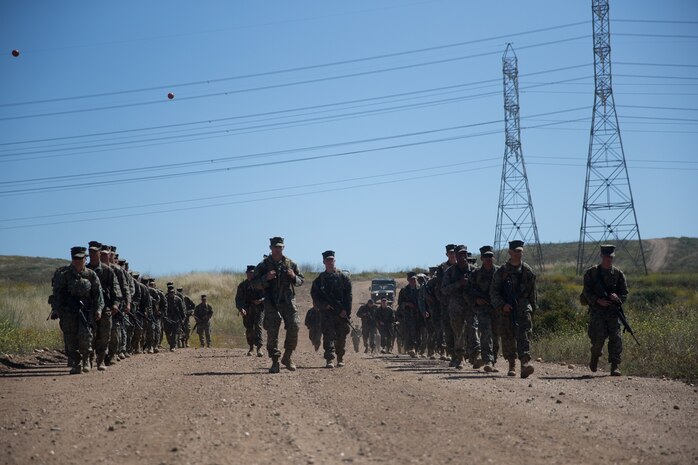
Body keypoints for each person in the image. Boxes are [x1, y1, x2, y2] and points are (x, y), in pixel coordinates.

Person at [252, 237, 305, 373]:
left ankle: (287, 357)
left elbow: (301, 281)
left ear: (283, 248)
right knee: (272, 331)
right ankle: (275, 361)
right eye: (275, 247)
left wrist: (293, 277)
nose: (277, 249)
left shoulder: (290, 264)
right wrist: (265, 278)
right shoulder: (263, 265)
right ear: (270, 248)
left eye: (280, 247)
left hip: (287, 301)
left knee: (294, 325)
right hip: (271, 302)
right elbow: (254, 284)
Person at [51, 246, 104, 374]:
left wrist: (99, 310)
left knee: (86, 336)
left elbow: (98, 294)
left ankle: (86, 360)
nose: (77, 261)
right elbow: (57, 293)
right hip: (68, 312)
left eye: (80, 258)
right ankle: (76, 363)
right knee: (71, 339)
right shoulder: (64, 275)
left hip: (86, 311)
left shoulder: (91, 275)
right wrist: (56, 309)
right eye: (75, 258)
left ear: (85, 259)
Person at [490, 240, 537, 378]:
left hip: (523, 308)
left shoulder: (527, 271)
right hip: (506, 309)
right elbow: (494, 292)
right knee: (508, 337)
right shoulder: (502, 272)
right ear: (510, 252)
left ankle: (524, 364)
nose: (518, 254)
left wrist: (532, 309)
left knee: (524, 335)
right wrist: (502, 305)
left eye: (520, 251)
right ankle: (512, 364)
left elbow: (532, 293)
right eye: (515, 251)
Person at [582, 244, 629, 376]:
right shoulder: (591, 273)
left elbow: (624, 293)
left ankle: (615, 366)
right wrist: (597, 300)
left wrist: (617, 298)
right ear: (602, 256)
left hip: (613, 312)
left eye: (611, 257)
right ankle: (595, 356)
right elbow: (586, 292)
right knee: (598, 338)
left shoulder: (618, 274)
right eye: (607, 256)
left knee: (616, 338)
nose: (609, 259)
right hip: (598, 311)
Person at [311, 250, 353, 368]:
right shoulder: (319, 280)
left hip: (341, 313)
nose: (330, 262)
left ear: (334, 261)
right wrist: (324, 305)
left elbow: (348, 296)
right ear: (324, 262)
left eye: (332, 260)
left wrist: (346, 311)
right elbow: (315, 296)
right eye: (327, 260)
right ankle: (329, 359)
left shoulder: (343, 278)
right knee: (328, 335)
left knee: (341, 336)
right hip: (327, 313)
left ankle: (340, 357)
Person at [87, 242, 121, 371]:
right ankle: (89, 360)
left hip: (106, 307)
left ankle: (100, 360)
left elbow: (115, 288)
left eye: (95, 252)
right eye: (90, 253)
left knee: (105, 335)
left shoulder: (107, 271)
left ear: (99, 254)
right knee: (90, 335)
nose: (93, 255)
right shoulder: (86, 271)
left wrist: (115, 304)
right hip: (90, 308)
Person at [441, 245, 475, 369]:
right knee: (458, 333)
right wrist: (458, 284)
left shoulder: (474, 270)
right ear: (456, 255)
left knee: (473, 329)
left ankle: (475, 356)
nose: (463, 256)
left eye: (465, 254)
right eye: (460, 254)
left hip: (471, 306)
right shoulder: (450, 272)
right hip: (455, 307)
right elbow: (444, 290)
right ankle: (459, 357)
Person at [468, 246, 499, 372]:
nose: (488, 259)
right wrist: (476, 300)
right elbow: (469, 291)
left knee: (496, 335)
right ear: (481, 258)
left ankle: (494, 360)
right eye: (486, 257)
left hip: (497, 308)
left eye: (490, 256)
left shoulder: (499, 272)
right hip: (483, 309)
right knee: (486, 334)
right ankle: (488, 361)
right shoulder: (476, 274)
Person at [235, 265, 266, 357]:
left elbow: (267, 295)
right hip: (247, 310)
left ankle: (259, 348)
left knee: (258, 326)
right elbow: (238, 299)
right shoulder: (242, 286)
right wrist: (241, 309)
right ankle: (251, 347)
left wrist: (260, 300)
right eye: (248, 273)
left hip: (259, 309)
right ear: (246, 274)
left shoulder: (260, 284)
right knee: (249, 329)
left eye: (252, 273)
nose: (250, 275)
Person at [397, 272, 422, 358]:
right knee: (410, 332)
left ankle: (417, 349)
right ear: (408, 280)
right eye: (411, 279)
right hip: (408, 315)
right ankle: (412, 348)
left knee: (418, 332)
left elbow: (424, 301)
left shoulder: (420, 289)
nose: (413, 281)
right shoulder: (404, 291)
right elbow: (400, 303)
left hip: (419, 314)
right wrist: (407, 304)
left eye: (414, 279)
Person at [165, 285, 185, 351]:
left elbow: (181, 309)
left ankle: (173, 346)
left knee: (174, 332)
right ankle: (171, 343)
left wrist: (182, 318)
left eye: (172, 293)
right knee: (167, 331)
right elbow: (163, 307)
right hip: (168, 317)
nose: (171, 294)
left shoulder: (178, 299)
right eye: (170, 293)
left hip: (176, 317)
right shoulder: (166, 298)